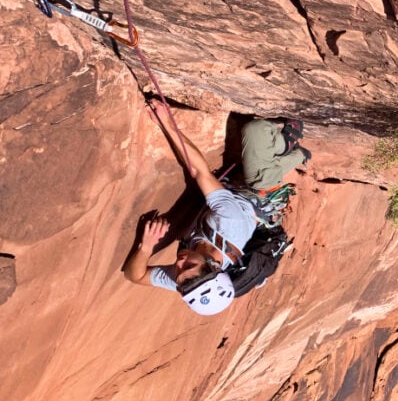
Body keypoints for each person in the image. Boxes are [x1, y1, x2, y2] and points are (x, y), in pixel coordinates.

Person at [123, 99, 309, 315]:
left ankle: (290, 157)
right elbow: (200, 172)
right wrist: (167, 123)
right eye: (189, 266)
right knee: (256, 130)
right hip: (256, 195)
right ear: (214, 267)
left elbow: (133, 275)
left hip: (232, 199)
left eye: (179, 273)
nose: (180, 263)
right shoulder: (229, 225)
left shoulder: (188, 279)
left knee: (250, 160)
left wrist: (145, 248)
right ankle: (291, 148)